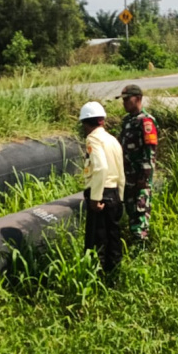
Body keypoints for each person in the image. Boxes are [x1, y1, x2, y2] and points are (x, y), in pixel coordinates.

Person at [79, 101, 126, 274]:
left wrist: (95, 198)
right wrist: (120, 197)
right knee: (113, 237)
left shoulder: (93, 139)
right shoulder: (112, 139)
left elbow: (101, 168)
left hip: (101, 194)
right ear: (102, 121)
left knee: (97, 240)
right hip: (114, 193)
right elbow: (121, 171)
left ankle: (97, 280)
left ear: (85, 123)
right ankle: (114, 276)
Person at [117, 85, 158, 245]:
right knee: (130, 210)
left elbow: (150, 153)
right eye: (123, 100)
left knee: (140, 213)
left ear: (138, 98)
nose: (124, 103)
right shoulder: (127, 121)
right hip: (127, 176)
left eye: (128, 99)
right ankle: (133, 243)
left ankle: (141, 248)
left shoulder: (146, 122)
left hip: (140, 178)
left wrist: (144, 177)